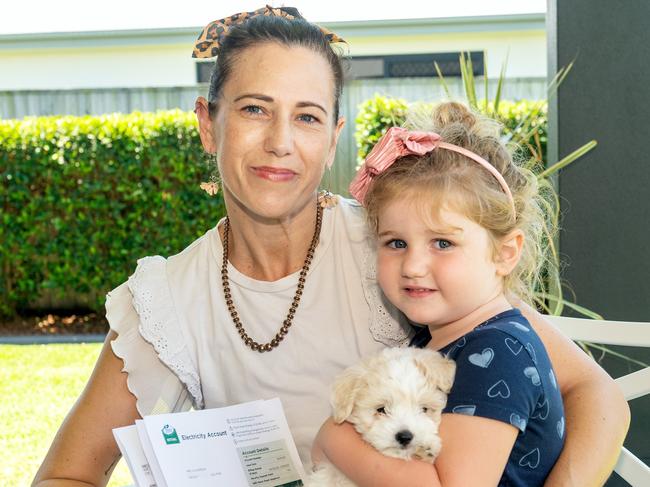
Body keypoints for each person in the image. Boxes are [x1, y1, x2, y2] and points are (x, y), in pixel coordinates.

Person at [33, 6, 628, 487]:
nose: (280, 142)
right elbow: (66, 474)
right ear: (208, 124)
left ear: (335, 136)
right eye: (254, 110)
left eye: (308, 117)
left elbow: (595, 393)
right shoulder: (168, 300)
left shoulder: (399, 252)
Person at [312, 103, 565, 486]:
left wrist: (333, 438)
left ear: (505, 253)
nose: (413, 265)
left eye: (442, 243)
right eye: (396, 242)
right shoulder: (439, 339)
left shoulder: (499, 354)